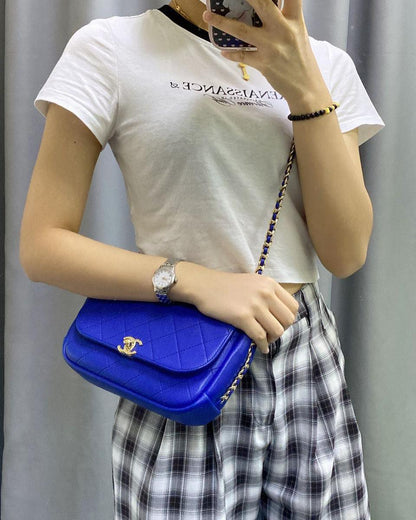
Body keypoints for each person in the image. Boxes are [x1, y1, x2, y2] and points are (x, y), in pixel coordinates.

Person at [20, 0, 384, 518]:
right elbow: (43, 245)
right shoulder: (109, 48)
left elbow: (345, 253)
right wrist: (191, 280)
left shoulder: (323, 63)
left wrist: (304, 88)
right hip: (183, 361)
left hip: (303, 359)